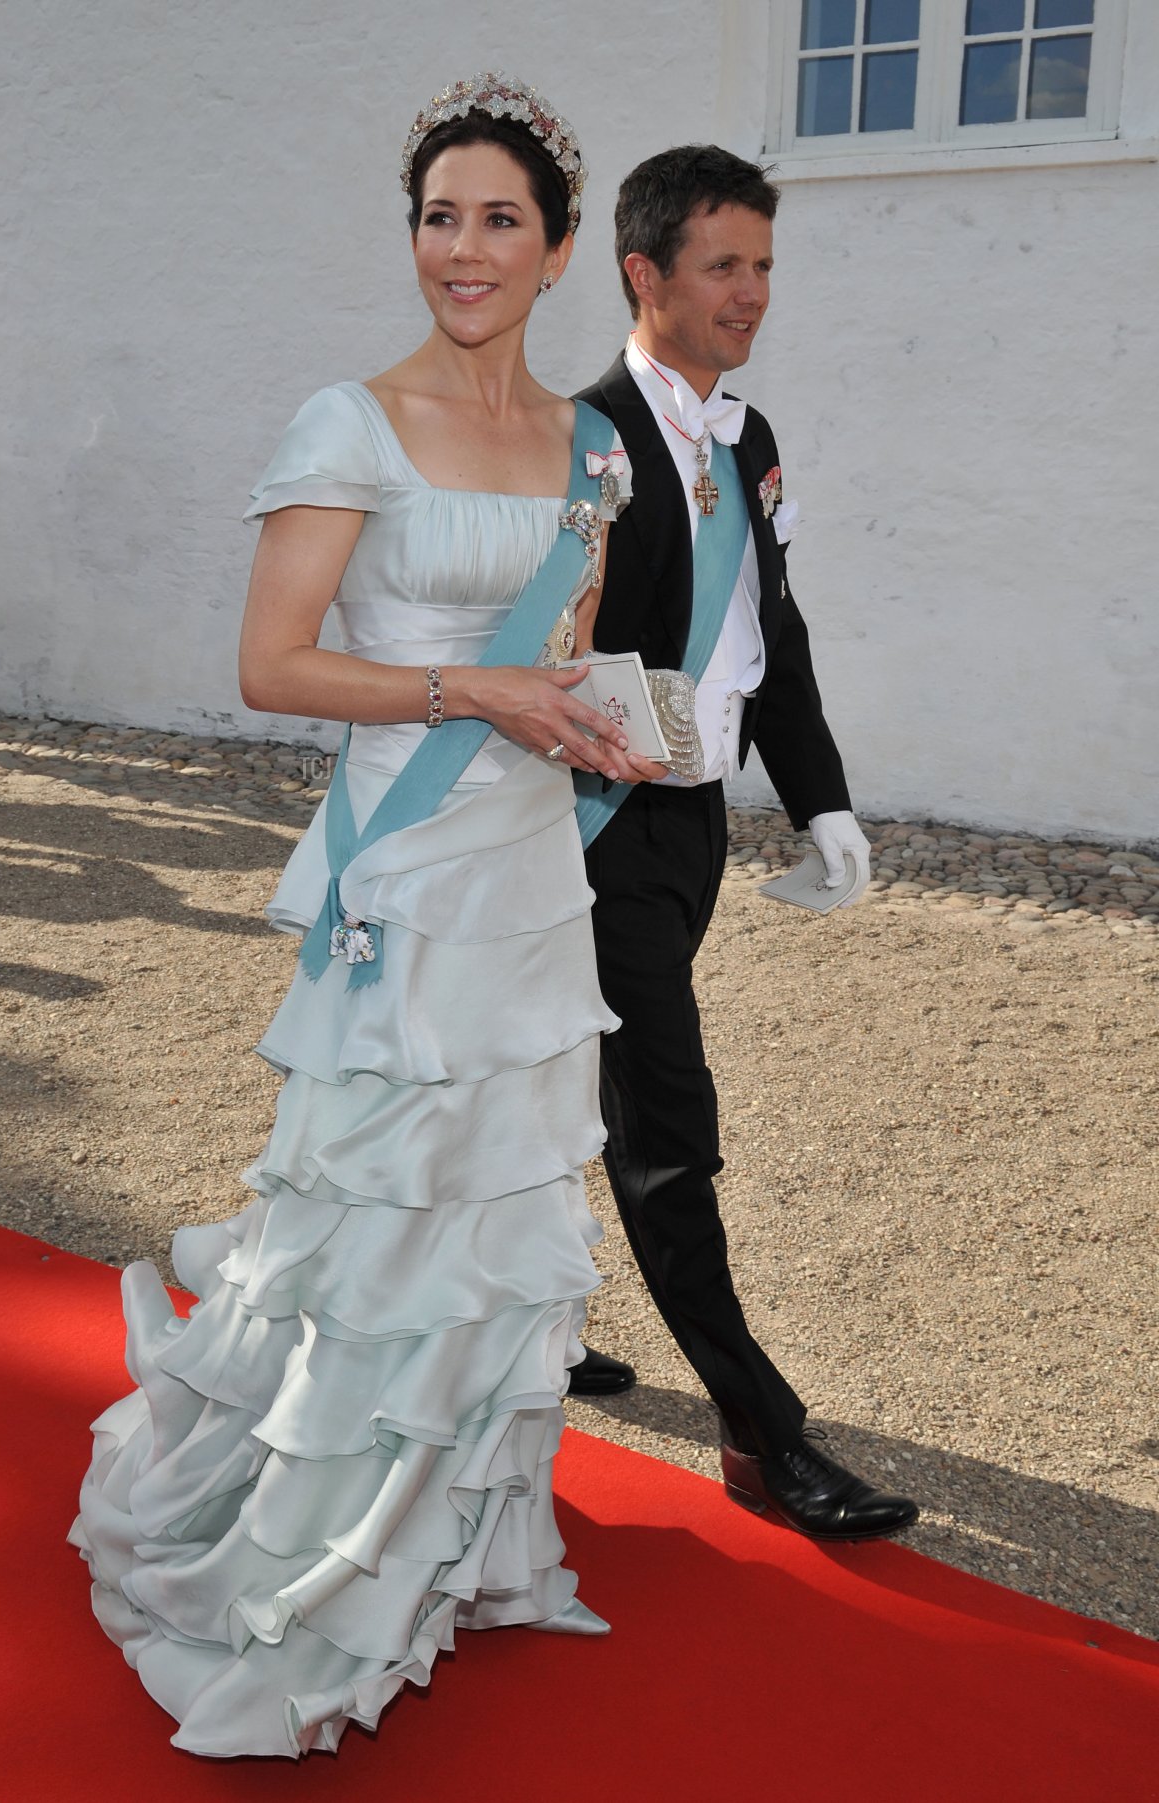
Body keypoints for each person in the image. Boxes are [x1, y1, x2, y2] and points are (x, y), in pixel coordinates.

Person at [69, 74, 656, 1760]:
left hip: (530, 876)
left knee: (488, 1202)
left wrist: (613, 718)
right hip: (402, 870)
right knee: (377, 1205)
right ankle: (308, 1559)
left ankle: (450, 1539)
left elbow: (563, 659)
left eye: (496, 221)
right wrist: (468, 683)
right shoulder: (350, 419)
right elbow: (271, 665)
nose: (459, 250)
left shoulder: (594, 447)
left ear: (559, 256)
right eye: (435, 216)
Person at [571, 145, 919, 1542]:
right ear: (643, 274)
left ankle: (521, 1330)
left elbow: (772, 642)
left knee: (563, 1097)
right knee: (666, 1127)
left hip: (696, 828)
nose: (753, 291)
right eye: (724, 264)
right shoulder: (582, 436)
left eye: (765, 264)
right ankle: (765, 1439)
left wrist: (821, 798)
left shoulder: (750, 436)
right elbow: (541, 649)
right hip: (587, 830)